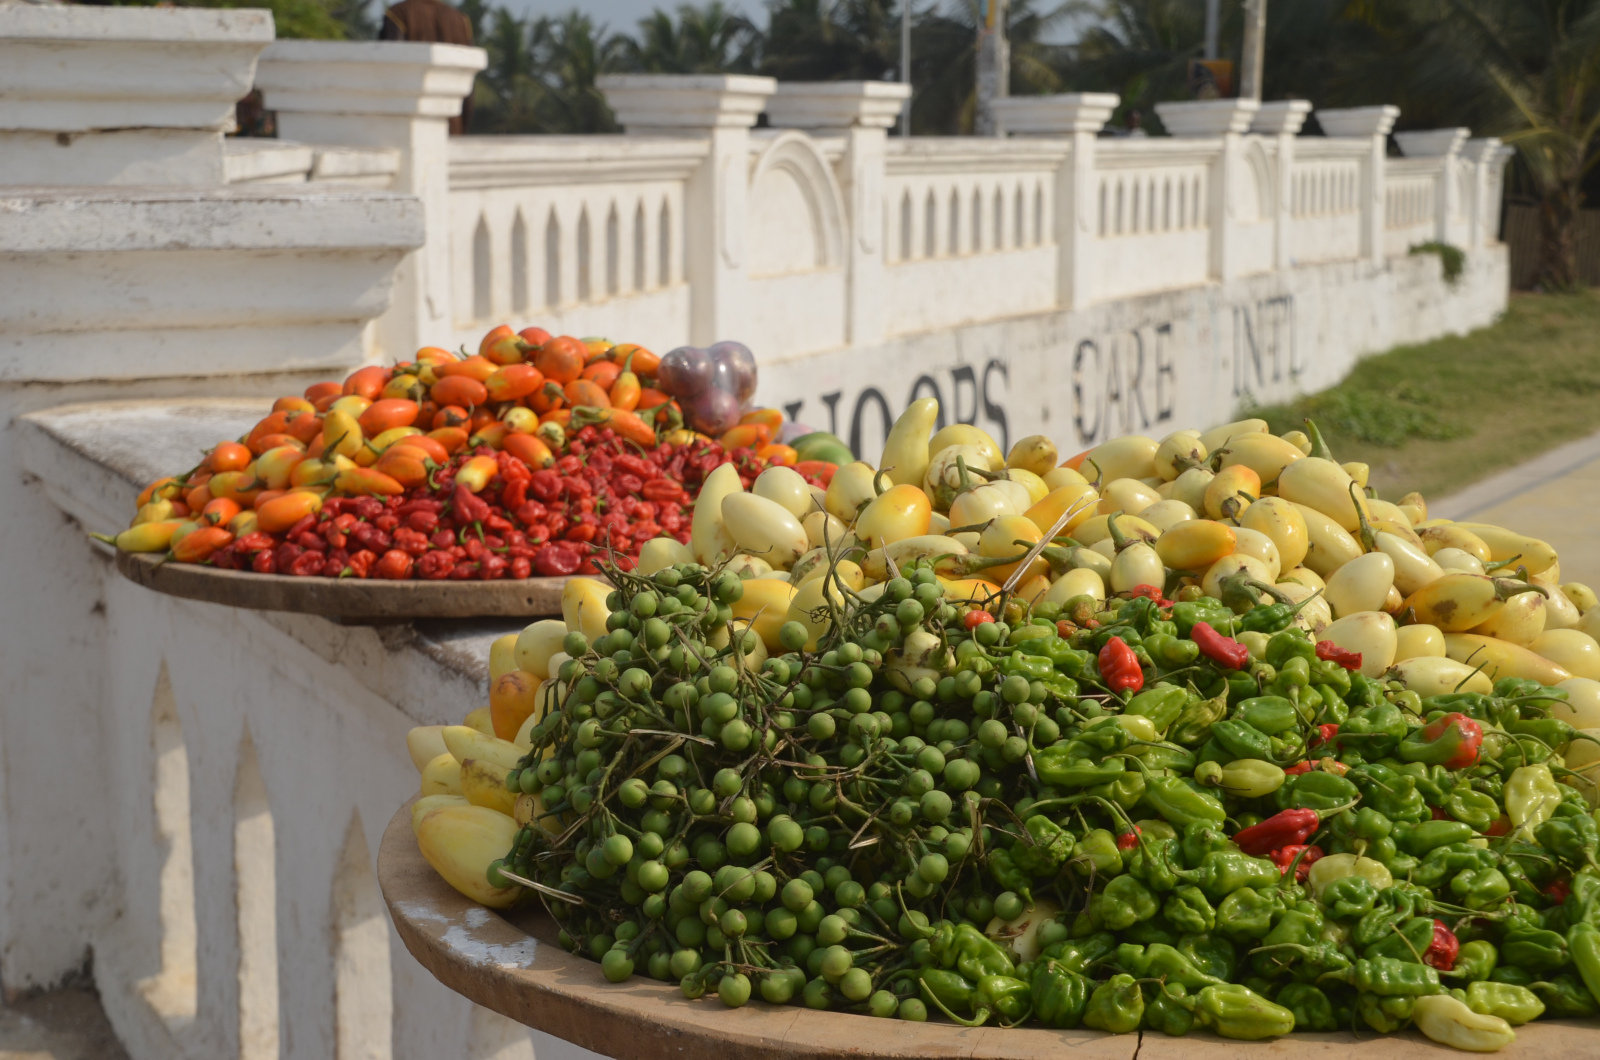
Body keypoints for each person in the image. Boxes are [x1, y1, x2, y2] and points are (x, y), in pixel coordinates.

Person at [379, 0, 475, 134]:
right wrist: (461, 131)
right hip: (452, 125)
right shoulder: (460, 20)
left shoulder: (398, 13)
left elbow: (390, 71)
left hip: (409, 123)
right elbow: (468, 85)